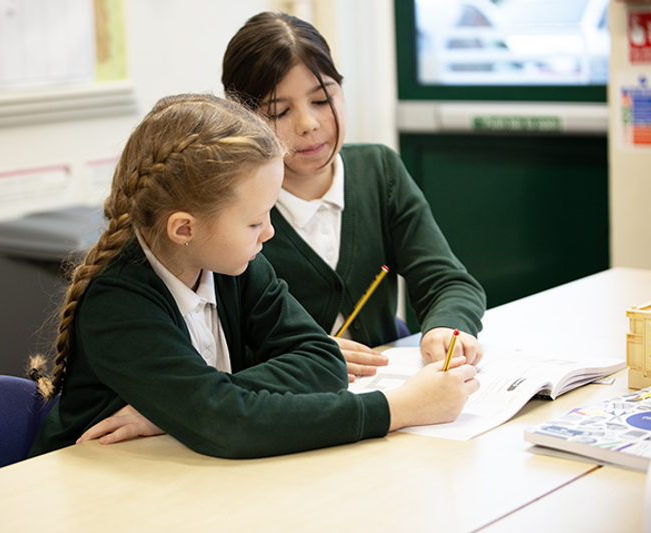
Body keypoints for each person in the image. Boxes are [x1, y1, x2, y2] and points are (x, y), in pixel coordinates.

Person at [27, 93, 479, 458]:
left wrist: (180, 410)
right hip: (91, 493)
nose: (269, 232)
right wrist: (397, 409)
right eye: (254, 221)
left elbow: (322, 361)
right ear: (184, 229)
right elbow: (231, 424)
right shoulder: (119, 302)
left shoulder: (233, 262)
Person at [220, 12, 486, 378]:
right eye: (280, 111)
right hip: (296, 399)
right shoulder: (230, 205)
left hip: (392, 385)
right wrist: (306, 358)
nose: (308, 124)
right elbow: (230, 346)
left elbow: (447, 281)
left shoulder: (378, 170)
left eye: (322, 99)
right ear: (242, 119)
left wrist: (445, 327)